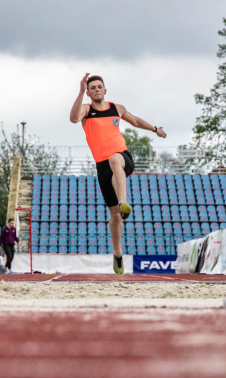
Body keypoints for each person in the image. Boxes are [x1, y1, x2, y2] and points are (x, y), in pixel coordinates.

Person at [69, 73, 167, 276]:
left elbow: (136, 121)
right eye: (92, 88)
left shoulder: (117, 109)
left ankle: (124, 201)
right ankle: (117, 253)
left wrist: (155, 129)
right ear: (88, 92)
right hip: (101, 166)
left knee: (115, 160)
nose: (96, 90)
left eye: (99, 87)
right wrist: (79, 93)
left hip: (122, 157)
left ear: (105, 90)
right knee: (114, 215)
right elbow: (73, 118)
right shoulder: (86, 110)